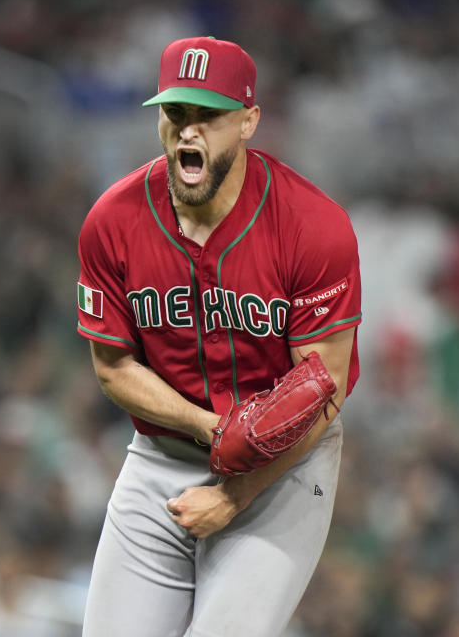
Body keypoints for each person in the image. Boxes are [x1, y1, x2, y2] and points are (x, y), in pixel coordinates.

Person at [75, 36, 362, 637]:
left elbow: (324, 386)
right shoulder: (114, 220)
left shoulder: (314, 227)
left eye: (209, 116)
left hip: (283, 467)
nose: (189, 132)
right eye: (176, 113)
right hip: (161, 459)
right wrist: (209, 428)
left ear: (249, 121)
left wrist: (234, 495)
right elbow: (112, 367)